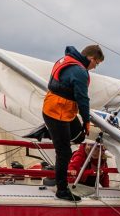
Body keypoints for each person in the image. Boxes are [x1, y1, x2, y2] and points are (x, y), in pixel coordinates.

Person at [42, 44, 104, 202]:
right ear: (91, 58)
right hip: (58, 113)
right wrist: (87, 120)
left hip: (56, 109)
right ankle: (61, 190)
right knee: (65, 153)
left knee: (79, 135)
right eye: (96, 64)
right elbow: (82, 98)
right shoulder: (80, 72)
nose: (94, 67)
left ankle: (54, 135)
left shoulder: (66, 60)